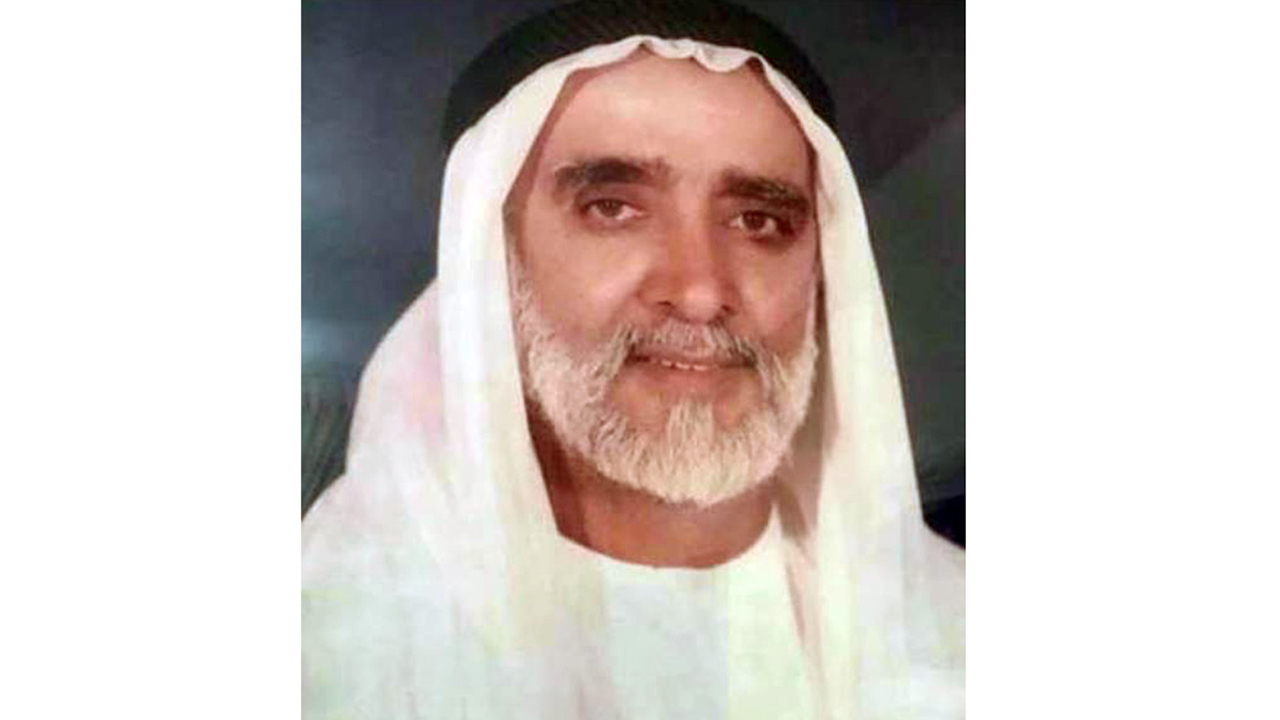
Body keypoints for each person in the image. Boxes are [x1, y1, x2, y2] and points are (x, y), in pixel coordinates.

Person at [302, 1, 964, 718]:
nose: (701, 292)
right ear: (493, 260)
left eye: (758, 221)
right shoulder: (321, 635)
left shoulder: (962, 630)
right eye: (612, 208)